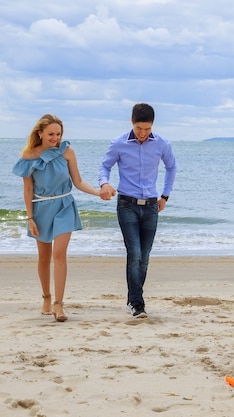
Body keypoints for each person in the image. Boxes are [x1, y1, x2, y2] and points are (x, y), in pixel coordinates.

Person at [12, 114, 102, 322]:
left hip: (64, 205)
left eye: (58, 134)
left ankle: (59, 305)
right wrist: (30, 218)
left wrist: (99, 193)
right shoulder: (28, 157)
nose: (55, 138)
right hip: (40, 208)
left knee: (59, 254)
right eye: (51, 134)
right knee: (44, 257)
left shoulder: (67, 151)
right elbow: (27, 190)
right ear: (40, 133)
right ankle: (46, 297)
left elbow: (78, 182)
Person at [98, 103, 177, 319]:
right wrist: (104, 183)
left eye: (147, 129)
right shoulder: (119, 143)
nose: (142, 134)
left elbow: (171, 167)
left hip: (151, 206)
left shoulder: (162, 144)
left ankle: (132, 298)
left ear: (152, 126)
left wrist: (165, 195)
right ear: (132, 122)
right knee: (134, 255)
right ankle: (137, 303)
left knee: (145, 257)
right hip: (126, 204)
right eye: (139, 128)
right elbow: (104, 166)